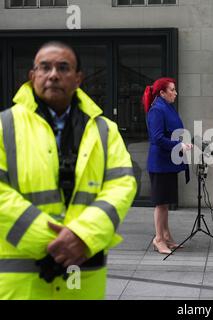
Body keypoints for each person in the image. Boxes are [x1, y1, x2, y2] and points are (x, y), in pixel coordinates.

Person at [0, 41, 137, 299]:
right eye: (45, 67)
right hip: (20, 286)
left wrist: (83, 235)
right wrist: (59, 243)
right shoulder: (4, 126)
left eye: (63, 68)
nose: (53, 74)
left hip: (83, 283)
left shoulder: (105, 131)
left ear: (78, 78)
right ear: (33, 76)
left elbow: (122, 186)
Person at [142, 77, 192, 254]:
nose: (175, 93)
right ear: (162, 93)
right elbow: (157, 138)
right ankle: (158, 239)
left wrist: (183, 143)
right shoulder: (157, 109)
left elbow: (171, 132)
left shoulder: (167, 106)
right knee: (161, 204)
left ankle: (167, 236)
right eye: (172, 90)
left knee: (165, 203)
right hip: (160, 164)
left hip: (168, 162)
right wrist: (179, 146)